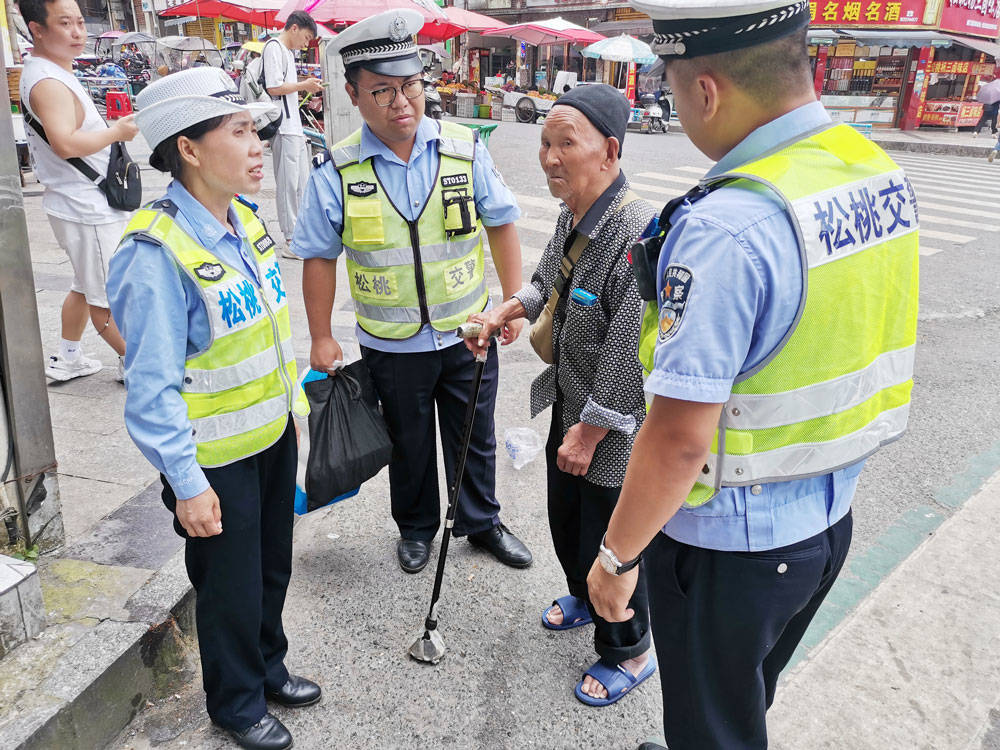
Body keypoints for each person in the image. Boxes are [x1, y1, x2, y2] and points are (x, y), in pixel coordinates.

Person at [585, 1, 920, 748]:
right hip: (826, 518)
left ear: (706, 90)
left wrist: (615, 559)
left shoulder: (726, 226)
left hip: (730, 547)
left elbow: (677, 440)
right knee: (740, 697)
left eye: (670, 88)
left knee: (713, 725)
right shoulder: (873, 171)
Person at [106, 68, 319, 750]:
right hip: (212, 458)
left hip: (269, 438)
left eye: (255, 130)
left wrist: (289, 417)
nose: (257, 144)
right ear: (190, 149)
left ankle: (267, 668)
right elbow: (151, 386)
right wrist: (186, 481)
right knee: (227, 586)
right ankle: (235, 703)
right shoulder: (155, 251)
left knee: (270, 569)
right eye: (240, 131)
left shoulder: (246, 221)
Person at [294, 9, 533, 575]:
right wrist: (322, 336)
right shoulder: (337, 169)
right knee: (409, 442)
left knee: (475, 435)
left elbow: (500, 222)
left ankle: (482, 521)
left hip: (469, 332)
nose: (401, 102)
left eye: (410, 86)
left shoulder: (463, 149)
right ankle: (417, 528)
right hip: (390, 341)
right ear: (354, 95)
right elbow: (319, 257)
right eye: (383, 91)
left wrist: (511, 300)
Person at [465, 85, 656, 706]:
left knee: (612, 535)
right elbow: (547, 278)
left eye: (564, 143)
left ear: (609, 150)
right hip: (569, 402)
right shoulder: (576, 211)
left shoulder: (635, 231)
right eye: (546, 143)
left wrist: (591, 430)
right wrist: (506, 310)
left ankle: (627, 646)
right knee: (567, 515)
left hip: (611, 424)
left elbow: (629, 347)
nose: (549, 157)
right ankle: (582, 592)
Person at [17, 0, 135, 382]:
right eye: (64, 23)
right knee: (105, 295)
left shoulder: (53, 71)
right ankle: (136, 364)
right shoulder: (48, 81)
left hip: (81, 200)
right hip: (84, 204)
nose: (77, 32)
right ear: (37, 28)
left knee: (85, 286)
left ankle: (68, 357)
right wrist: (117, 132)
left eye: (81, 22)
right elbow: (65, 144)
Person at [262, 10, 324, 259]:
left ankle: (299, 234)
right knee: (288, 185)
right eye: (307, 38)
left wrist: (304, 86)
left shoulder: (286, 52)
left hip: (295, 128)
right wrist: (303, 85)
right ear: (295, 28)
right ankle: (289, 239)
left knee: (300, 183)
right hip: (284, 128)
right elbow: (273, 86)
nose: (306, 44)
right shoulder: (274, 47)